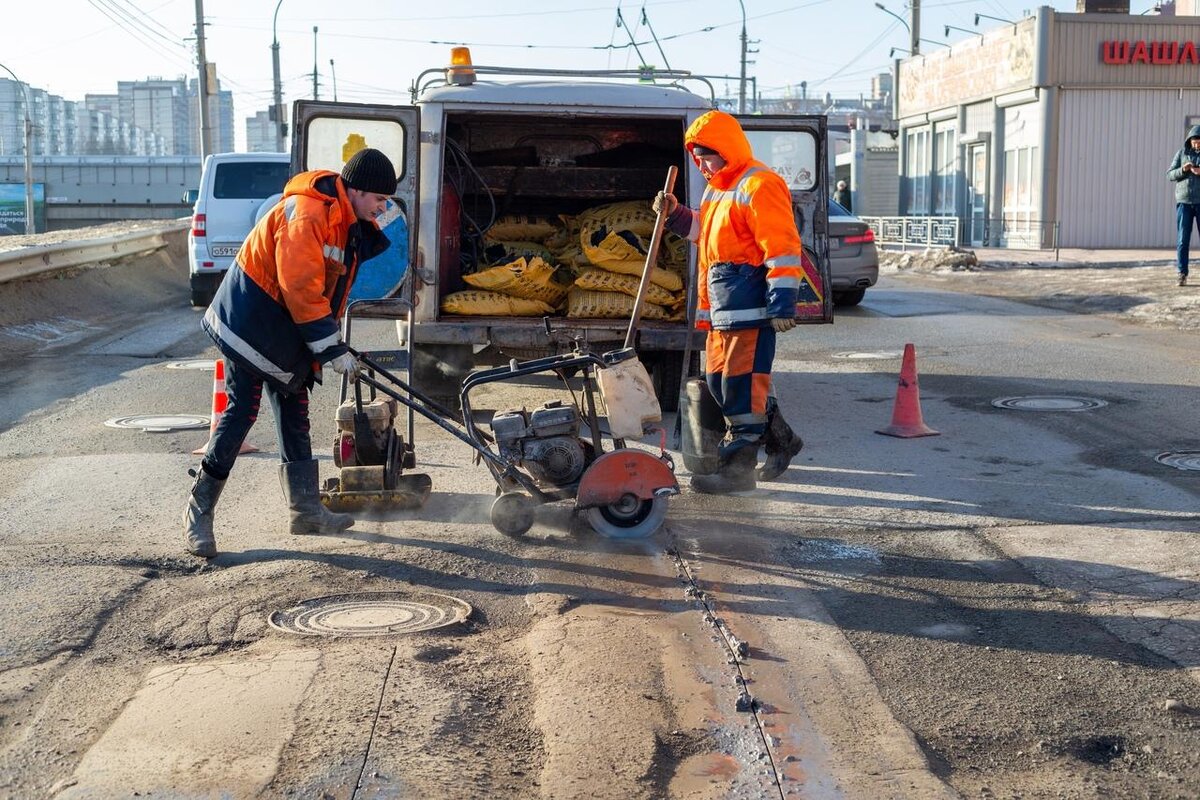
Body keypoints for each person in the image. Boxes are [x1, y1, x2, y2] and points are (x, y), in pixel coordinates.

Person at [183, 148, 397, 558]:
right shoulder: (308, 212)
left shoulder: (343, 221)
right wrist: (330, 348)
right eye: (379, 200)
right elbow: (299, 285)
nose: (383, 209)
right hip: (251, 320)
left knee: (295, 411)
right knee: (241, 412)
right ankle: (199, 510)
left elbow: (323, 290)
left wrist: (330, 342)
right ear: (355, 190)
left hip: (284, 325)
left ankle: (306, 511)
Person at [654, 110, 812, 493]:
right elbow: (703, 234)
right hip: (723, 311)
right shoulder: (717, 190)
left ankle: (738, 473)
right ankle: (781, 439)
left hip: (751, 309)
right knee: (719, 385)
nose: (702, 163)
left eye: (707, 155)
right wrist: (674, 214)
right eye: (698, 157)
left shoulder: (760, 184)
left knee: (741, 388)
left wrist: (782, 303)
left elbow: (782, 248)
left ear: (727, 149)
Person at [1167, 125, 1200, 287]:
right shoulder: (1181, 154)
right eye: (1194, 140)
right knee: (1183, 240)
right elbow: (1169, 175)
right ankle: (1182, 273)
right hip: (1184, 203)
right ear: (1189, 141)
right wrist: (1183, 169)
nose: (1197, 143)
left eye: (1199, 140)